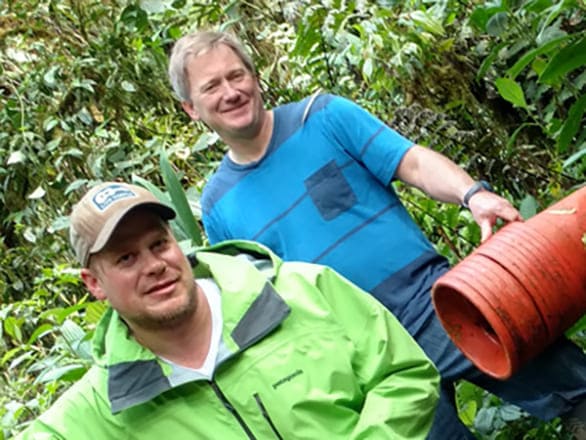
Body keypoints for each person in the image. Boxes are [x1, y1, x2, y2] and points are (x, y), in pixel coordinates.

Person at [167, 29, 586, 439]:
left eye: (236, 75)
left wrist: (472, 194)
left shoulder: (323, 117)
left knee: (576, 391)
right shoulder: (219, 204)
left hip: (434, 304)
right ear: (192, 108)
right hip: (365, 358)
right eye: (212, 86)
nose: (231, 91)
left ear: (254, 77)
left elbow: (413, 163)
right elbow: (255, 307)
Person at [17, 181, 439, 439]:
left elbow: (403, 374)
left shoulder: (299, 290)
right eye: (126, 259)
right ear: (94, 284)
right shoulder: (107, 401)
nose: (154, 266)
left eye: (159, 244)